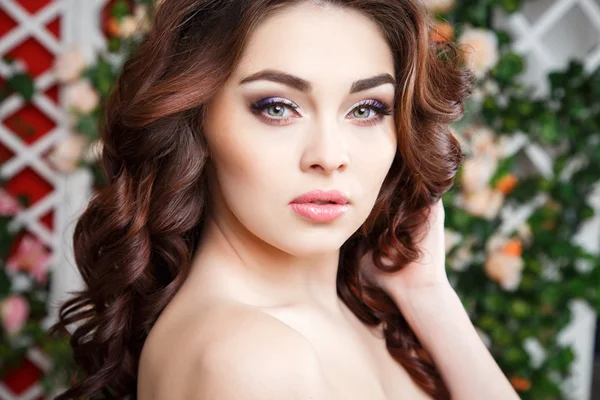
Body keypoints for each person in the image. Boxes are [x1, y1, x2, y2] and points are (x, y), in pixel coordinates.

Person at [49, 1, 520, 399]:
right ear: (197, 121)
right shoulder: (251, 357)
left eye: (366, 109)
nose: (330, 157)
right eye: (277, 107)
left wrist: (428, 296)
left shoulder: (359, 314)